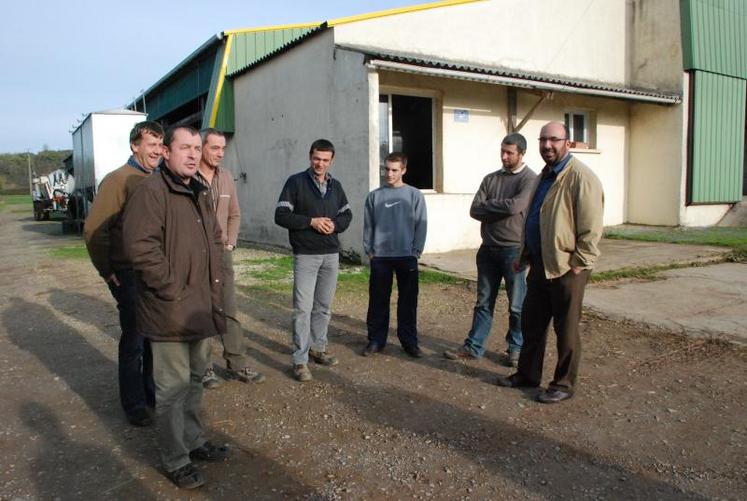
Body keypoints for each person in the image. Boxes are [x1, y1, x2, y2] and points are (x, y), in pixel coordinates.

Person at [122, 126, 229, 489]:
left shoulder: (199, 190)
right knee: (171, 388)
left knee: (196, 380)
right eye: (185, 147)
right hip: (169, 309)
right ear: (166, 152)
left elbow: (214, 238)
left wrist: (214, 284)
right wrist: (172, 287)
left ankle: (194, 441)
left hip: (200, 306)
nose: (193, 154)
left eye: (197, 148)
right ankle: (175, 458)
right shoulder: (150, 191)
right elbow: (139, 247)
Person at [496, 121, 604, 404]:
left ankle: (564, 384)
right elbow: (534, 217)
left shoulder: (581, 177)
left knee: (565, 329)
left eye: (554, 140)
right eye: (543, 140)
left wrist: (580, 262)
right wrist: (524, 255)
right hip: (540, 264)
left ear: (567, 142)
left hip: (567, 267)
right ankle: (528, 374)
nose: (547, 145)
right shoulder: (544, 176)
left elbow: (591, 226)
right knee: (532, 323)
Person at [83, 121, 163, 427]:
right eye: (151, 144)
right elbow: (94, 229)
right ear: (134, 146)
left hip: (151, 271)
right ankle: (134, 404)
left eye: (160, 144)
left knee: (153, 335)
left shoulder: (155, 178)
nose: (157, 150)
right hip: (127, 272)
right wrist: (107, 270)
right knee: (134, 338)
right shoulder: (119, 180)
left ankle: (151, 391)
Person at [444, 133, 536, 366]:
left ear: (521, 153)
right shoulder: (490, 179)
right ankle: (473, 347)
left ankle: (516, 349)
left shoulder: (529, 179)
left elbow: (516, 206)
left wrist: (490, 206)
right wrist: (500, 207)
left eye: (510, 153)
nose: (504, 156)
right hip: (488, 250)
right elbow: (475, 209)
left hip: (514, 250)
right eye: (502, 152)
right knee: (483, 302)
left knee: (517, 305)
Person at [274, 139, 352, 382]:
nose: (320, 163)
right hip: (305, 256)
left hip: (331, 255)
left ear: (332, 161)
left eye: (325, 160)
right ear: (310, 157)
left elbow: (347, 214)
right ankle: (300, 360)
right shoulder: (295, 182)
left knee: (323, 308)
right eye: (317, 158)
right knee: (302, 309)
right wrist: (311, 222)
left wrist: (334, 225)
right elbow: (281, 215)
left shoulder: (335, 186)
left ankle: (319, 348)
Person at [196, 128, 265, 388]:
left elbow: (234, 213)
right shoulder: (189, 178)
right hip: (195, 255)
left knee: (229, 308)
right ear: (201, 147)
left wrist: (231, 243)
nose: (220, 154)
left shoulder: (225, 177)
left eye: (223, 148)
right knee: (201, 311)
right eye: (215, 148)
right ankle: (203, 369)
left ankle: (236, 363)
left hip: (222, 254)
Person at [362, 152, 427, 358]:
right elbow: (368, 226)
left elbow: (421, 224)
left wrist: (415, 252)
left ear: (403, 170)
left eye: (394, 170)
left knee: (408, 302)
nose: (389, 174)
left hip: (406, 257)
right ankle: (376, 340)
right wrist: (370, 251)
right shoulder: (374, 196)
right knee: (378, 300)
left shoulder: (414, 195)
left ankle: (409, 342)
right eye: (386, 169)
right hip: (380, 257)